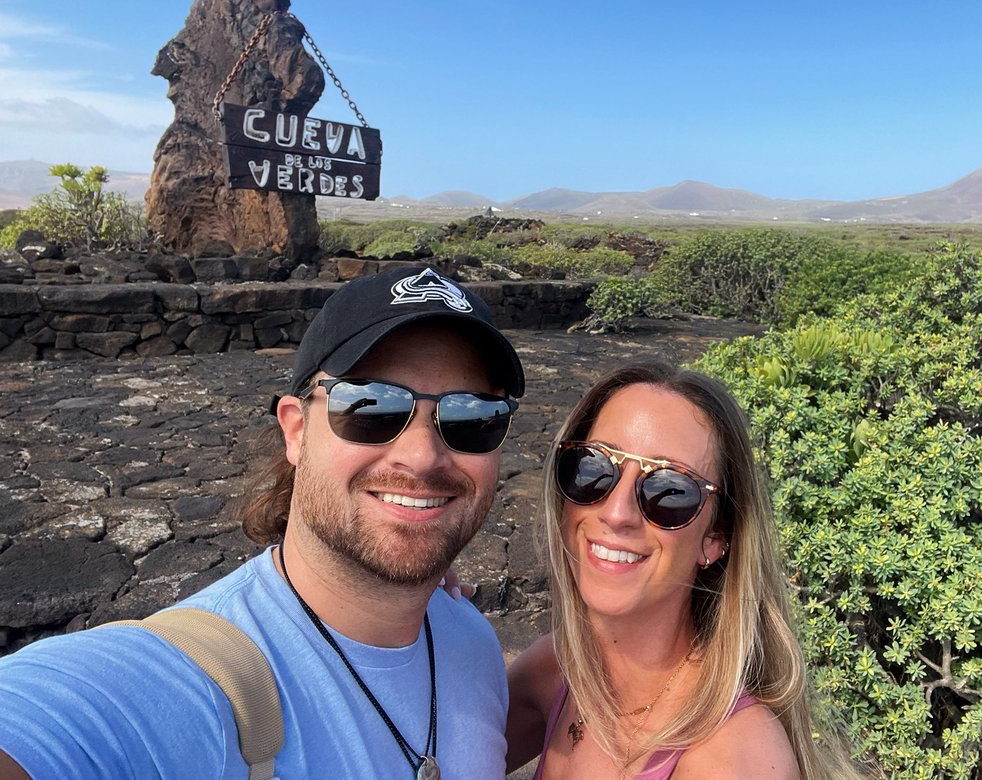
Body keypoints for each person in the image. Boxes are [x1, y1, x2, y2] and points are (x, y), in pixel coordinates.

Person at [0, 265, 524, 779]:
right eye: (370, 407)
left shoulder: (468, 641)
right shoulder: (184, 684)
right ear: (296, 431)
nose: (422, 458)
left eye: (472, 416)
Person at [506, 361, 857, 779]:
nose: (617, 513)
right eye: (594, 469)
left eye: (670, 491)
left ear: (715, 537)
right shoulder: (559, 669)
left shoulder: (735, 760)